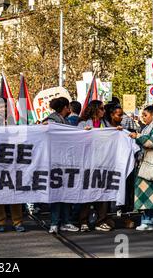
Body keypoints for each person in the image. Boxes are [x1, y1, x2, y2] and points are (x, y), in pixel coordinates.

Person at [0, 97, 25, 233]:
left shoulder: (13, 122)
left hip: (12, 161)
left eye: (5, 107)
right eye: (0, 107)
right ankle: (0, 221)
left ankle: (17, 221)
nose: (3, 109)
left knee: (14, 190)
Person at [77, 100, 114, 232]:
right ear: (95, 110)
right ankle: (83, 221)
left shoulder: (105, 123)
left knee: (102, 192)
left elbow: (111, 137)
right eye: (102, 109)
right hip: (87, 164)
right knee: (87, 193)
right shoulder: (83, 123)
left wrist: (118, 131)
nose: (104, 111)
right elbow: (76, 141)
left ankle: (101, 220)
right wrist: (83, 133)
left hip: (102, 163)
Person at [44, 98, 79, 233]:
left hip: (63, 160)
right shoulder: (53, 120)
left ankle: (64, 221)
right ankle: (55, 222)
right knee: (57, 192)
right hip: (55, 161)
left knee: (65, 192)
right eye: (68, 106)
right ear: (65, 107)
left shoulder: (63, 120)